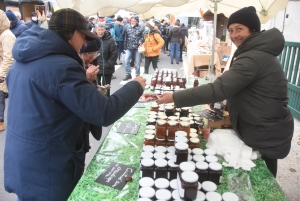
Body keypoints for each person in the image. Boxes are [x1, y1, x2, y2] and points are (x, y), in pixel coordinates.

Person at [4, 8, 146, 201]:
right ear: (71, 32)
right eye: (83, 36)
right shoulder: (63, 67)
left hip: (23, 161)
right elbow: (104, 112)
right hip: (49, 166)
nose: (86, 43)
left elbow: (47, 102)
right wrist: (135, 86)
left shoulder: (22, 59)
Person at [157, 6, 294, 178]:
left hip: (265, 130)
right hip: (263, 127)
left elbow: (219, 89)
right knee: (259, 170)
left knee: (262, 176)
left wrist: (175, 97)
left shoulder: (253, 57)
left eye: (239, 29)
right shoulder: (254, 52)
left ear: (253, 30)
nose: (234, 35)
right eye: (230, 30)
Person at [79, 39, 103, 153]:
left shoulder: (88, 64)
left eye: (95, 53)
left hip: (86, 120)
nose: (93, 57)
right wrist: (88, 79)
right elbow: (79, 94)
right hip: (78, 123)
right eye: (90, 54)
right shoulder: (73, 67)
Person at [0, 10, 16, 131]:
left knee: (1, 98)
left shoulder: (6, 35)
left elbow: (9, 57)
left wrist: (0, 75)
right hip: (3, 73)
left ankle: (1, 121)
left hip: (5, 75)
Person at [95, 22, 118, 96]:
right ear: (96, 30)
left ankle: (107, 102)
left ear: (105, 29)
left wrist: (109, 64)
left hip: (107, 67)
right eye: (99, 30)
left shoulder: (110, 40)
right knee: (96, 88)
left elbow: (114, 53)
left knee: (106, 89)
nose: (100, 31)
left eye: (102, 29)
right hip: (96, 68)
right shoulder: (93, 39)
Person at [123, 15, 144, 81]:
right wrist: (125, 46)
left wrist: (140, 42)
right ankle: (128, 74)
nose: (132, 22)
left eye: (134, 21)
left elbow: (142, 37)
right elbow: (125, 37)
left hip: (136, 48)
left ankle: (137, 75)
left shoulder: (140, 27)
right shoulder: (127, 27)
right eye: (131, 21)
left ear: (137, 21)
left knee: (137, 63)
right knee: (126, 61)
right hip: (129, 47)